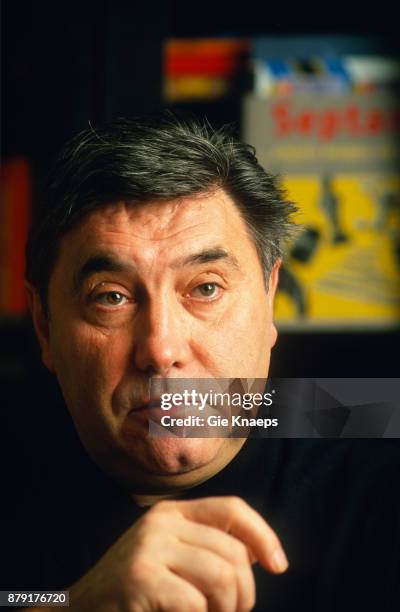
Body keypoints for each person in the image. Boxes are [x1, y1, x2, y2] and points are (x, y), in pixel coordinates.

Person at [3, 115, 399, 611]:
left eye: (206, 288)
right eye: (111, 297)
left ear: (269, 298)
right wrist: (71, 605)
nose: (161, 348)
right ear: (44, 324)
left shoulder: (374, 430)